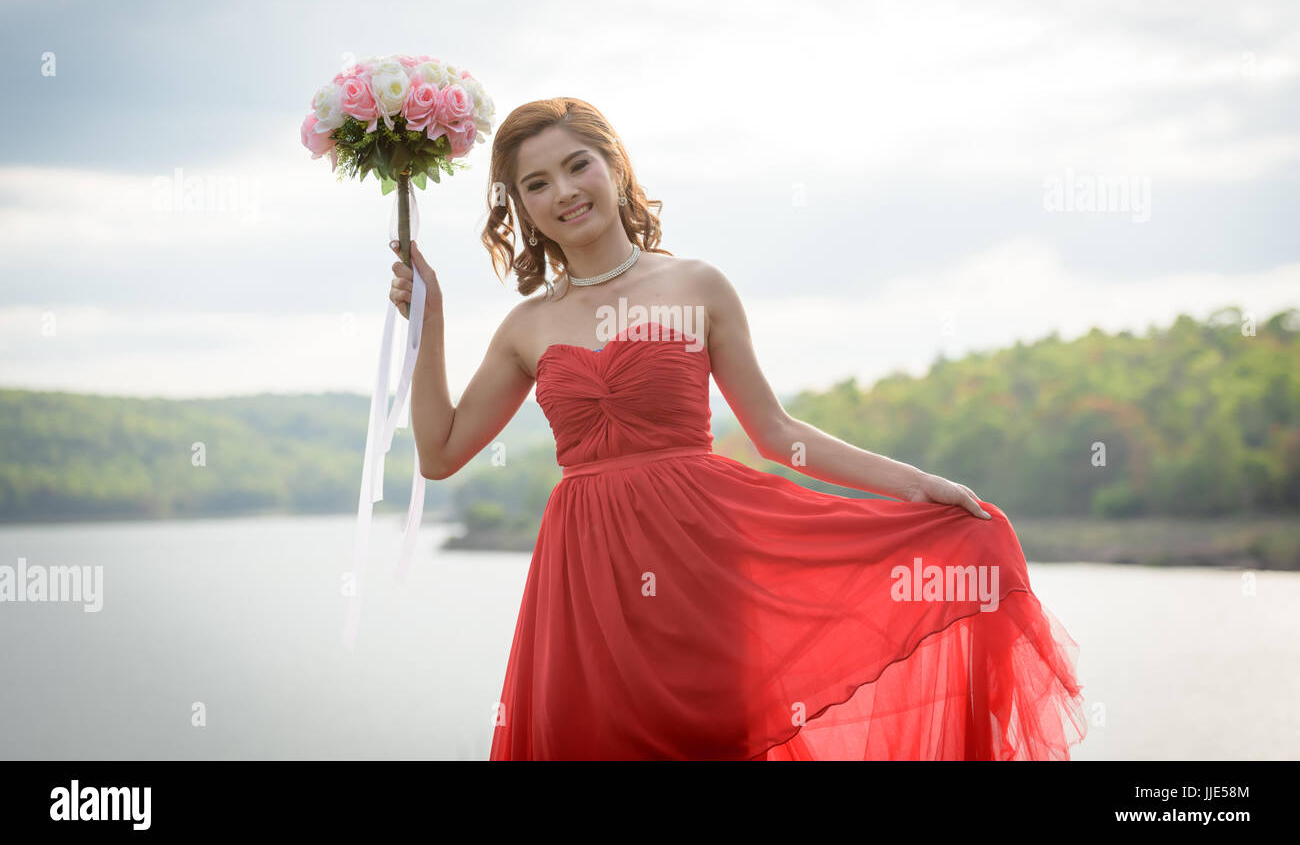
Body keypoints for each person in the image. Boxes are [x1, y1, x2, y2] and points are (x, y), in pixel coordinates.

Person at [388, 97, 1087, 760]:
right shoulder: (527, 326)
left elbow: (779, 433)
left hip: (702, 568)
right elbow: (442, 453)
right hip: (583, 586)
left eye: (577, 165)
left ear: (614, 165)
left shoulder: (697, 286)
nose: (564, 191)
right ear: (522, 209)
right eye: (536, 184)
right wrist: (430, 321)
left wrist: (919, 485)